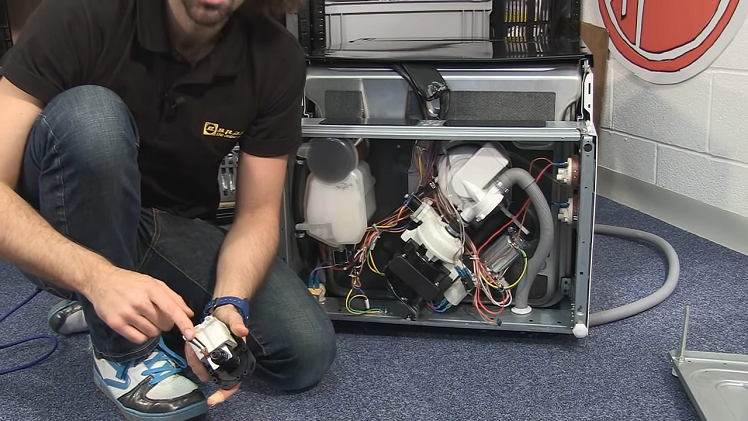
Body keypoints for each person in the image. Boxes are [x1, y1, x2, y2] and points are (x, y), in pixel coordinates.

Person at [0, 0, 337, 420]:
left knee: (303, 351)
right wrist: (96, 277)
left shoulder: (275, 56)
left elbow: (256, 215)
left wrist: (228, 305)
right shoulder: (79, 15)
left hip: (164, 226)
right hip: (62, 221)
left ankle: (127, 302)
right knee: (92, 116)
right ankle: (122, 352)